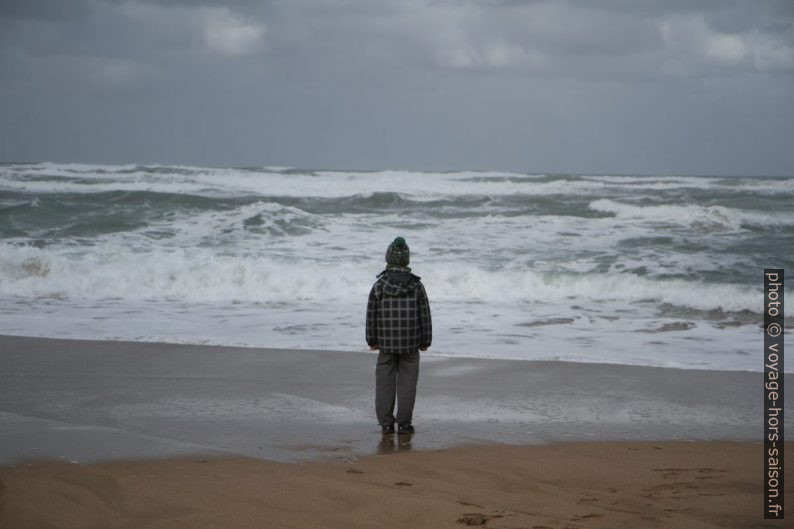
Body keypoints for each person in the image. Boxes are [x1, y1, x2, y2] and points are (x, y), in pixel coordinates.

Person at [366, 236, 432, 435]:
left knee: (384, 383)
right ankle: (404, 424)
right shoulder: (417, 286)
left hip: (386, 344)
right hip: (411, 344)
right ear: (406, 260)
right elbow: (425, 315)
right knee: (408, 384)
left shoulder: (379, 285)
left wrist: (372, 340)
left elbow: (371, 315)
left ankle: (386, 424)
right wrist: (425, 340)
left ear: (388, 258)